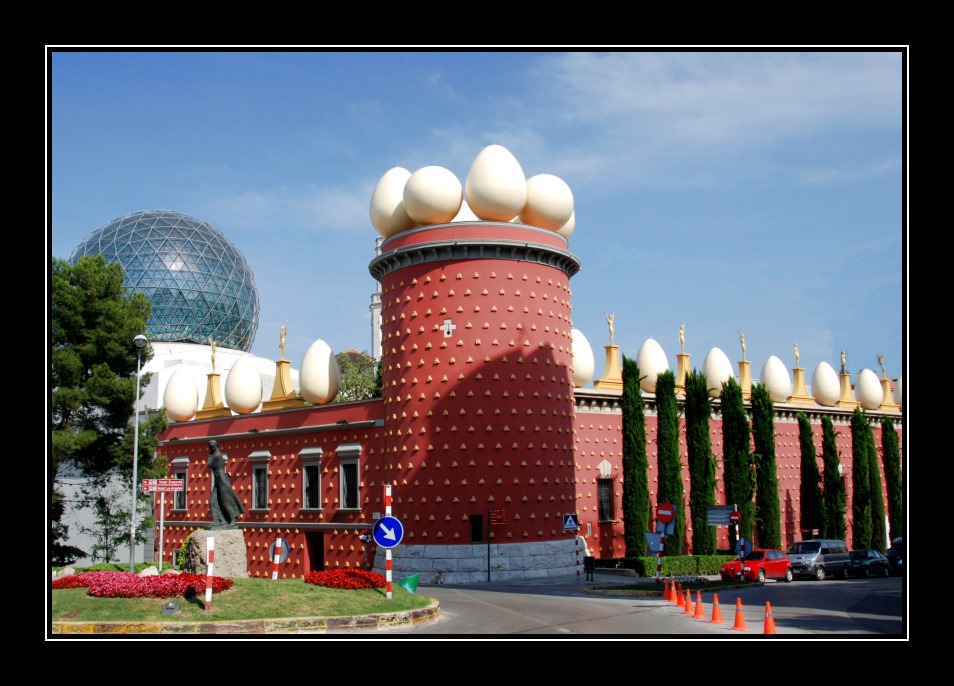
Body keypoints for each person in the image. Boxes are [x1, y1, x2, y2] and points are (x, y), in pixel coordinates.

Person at [208, 440, 245, 529]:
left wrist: (209, 455)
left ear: (217, 446)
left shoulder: (217, 455)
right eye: (210, 447)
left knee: (226, 501)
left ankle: (232, 520)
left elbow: (210, 464)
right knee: (212, 502)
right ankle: (216, 521)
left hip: (221, 479)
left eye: (213, 446)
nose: (212, 448)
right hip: (218, 480)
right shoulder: (214, 454)